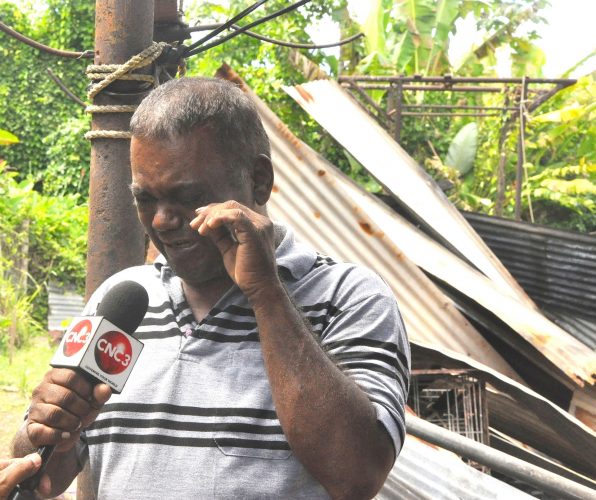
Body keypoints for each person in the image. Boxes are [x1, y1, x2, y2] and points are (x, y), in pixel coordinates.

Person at [12, 77, 410, 499]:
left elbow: (357, 476)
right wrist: (41, 431)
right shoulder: (124, 298)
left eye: (187, 196)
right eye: (146, 199)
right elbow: (48, 478)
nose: (163, 221)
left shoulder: (350, 298)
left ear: (258, 180)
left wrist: (266, 294)